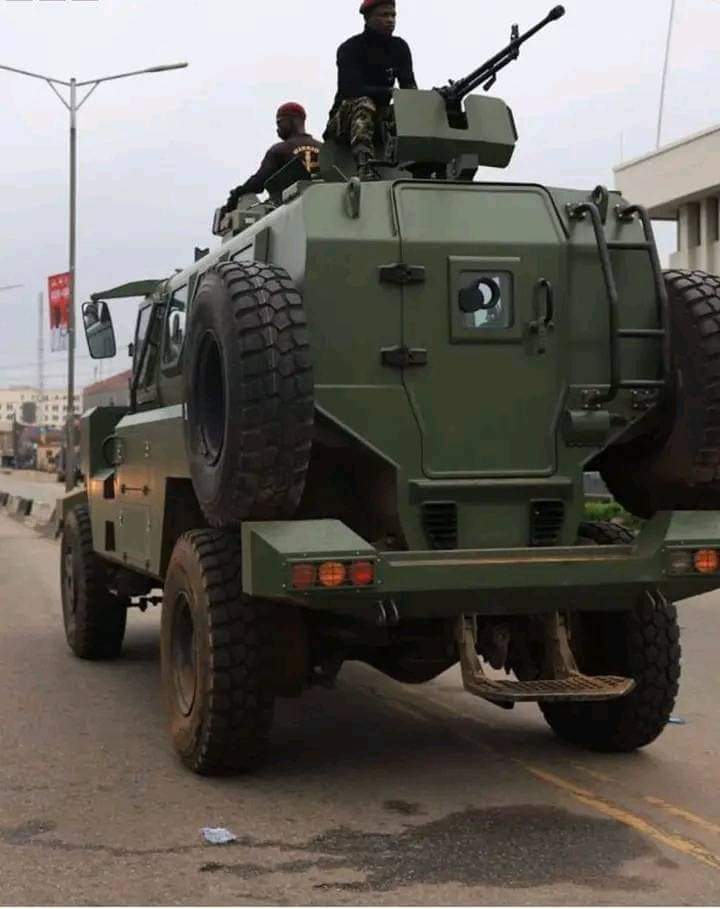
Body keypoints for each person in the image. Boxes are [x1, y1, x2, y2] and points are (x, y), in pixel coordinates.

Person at [324, 0, 417, 177]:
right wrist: (390, 93)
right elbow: (351, 88)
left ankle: (415, 162)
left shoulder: (399, 48)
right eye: (384, 15)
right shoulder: (350, 48)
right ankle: (364, 165)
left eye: (393, 15)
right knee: (365, 103)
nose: (390, 20)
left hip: (379, 116)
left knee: (407, 109)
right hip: (344, 119)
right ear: (367, 18)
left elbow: (409, 87)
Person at [225, 103, 321, 211]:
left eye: (280, 122)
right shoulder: (323, 148)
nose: (277, 129)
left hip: (291, 210)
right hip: (322, 204)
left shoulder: (279, 150)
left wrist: (237, 194)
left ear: (293, 121)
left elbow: (258, 182)